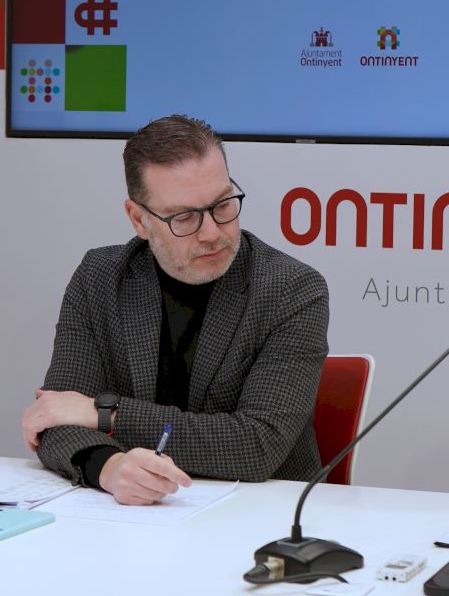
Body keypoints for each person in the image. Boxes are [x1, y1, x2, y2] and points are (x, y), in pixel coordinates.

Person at [21, 115, 329, 505]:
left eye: (223, 205)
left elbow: (257, 445)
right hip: (131, 516)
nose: (212, 233)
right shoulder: (100, 278)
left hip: (261, 512)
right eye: (184, 217)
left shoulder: (290, 289)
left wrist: (105, 415)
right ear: (139, 219)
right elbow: (55, 418)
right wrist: (108, 468)